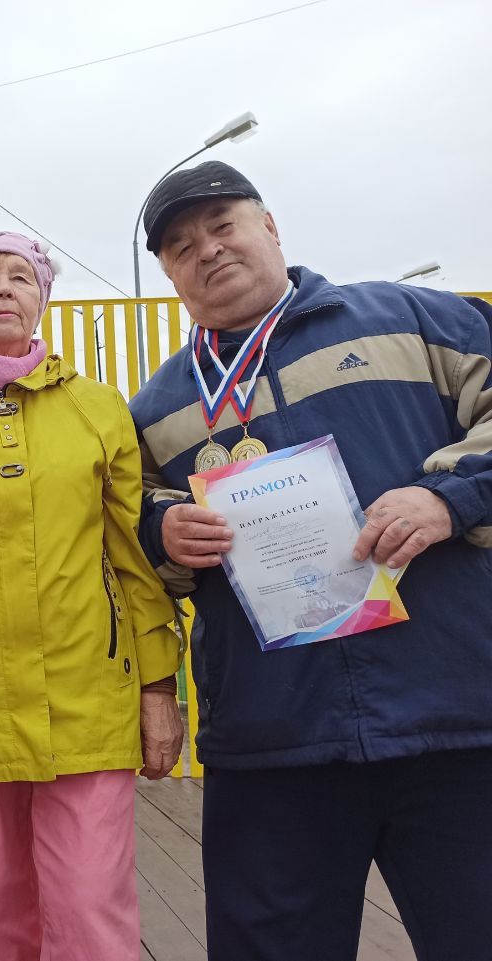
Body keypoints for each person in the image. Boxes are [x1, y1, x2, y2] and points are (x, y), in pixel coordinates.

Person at [129, 160, 492, 960]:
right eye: (182, 245)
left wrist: (451, 498)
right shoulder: (155, 407)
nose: (208, 250)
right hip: (273, 738)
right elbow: (129, 532)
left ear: (270, 227)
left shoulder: (409, 318)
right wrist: (164, 532)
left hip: (456, 718)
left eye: (223, 225)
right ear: (167, 272)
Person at [0, 231, 183, 961]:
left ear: (43, 300)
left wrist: (158, 685)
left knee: (90, 916)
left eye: (21, 276)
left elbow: (133, 562)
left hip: (87, 707)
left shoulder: (98, 409)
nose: (4, 288)